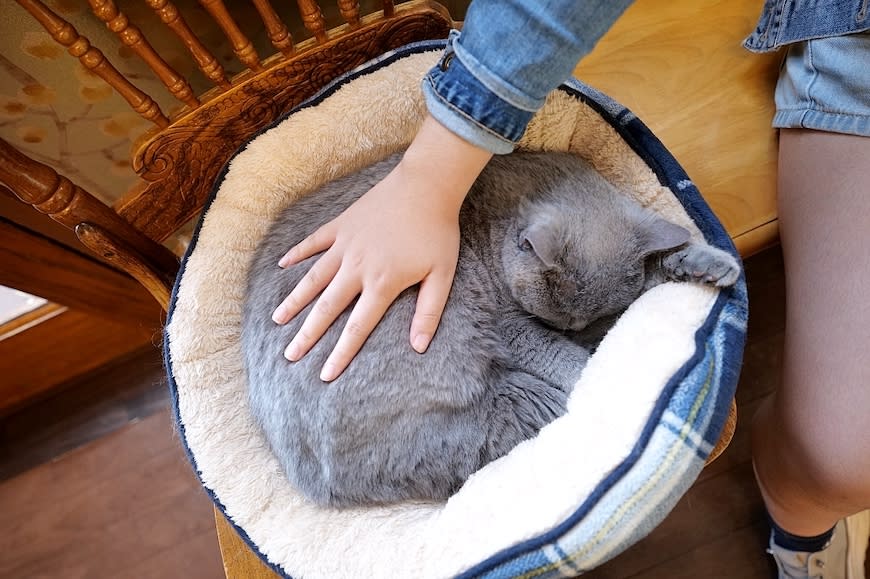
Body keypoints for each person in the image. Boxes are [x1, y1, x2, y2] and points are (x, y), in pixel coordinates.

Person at [270, 1, 870, 576]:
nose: (561, 329)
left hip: (357, 390)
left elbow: (604, 266)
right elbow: (526, 340)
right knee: (566, 405)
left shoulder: (558, 210)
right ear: (526, 245)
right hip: (379, 417)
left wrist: (668, 264)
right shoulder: (527, 237)